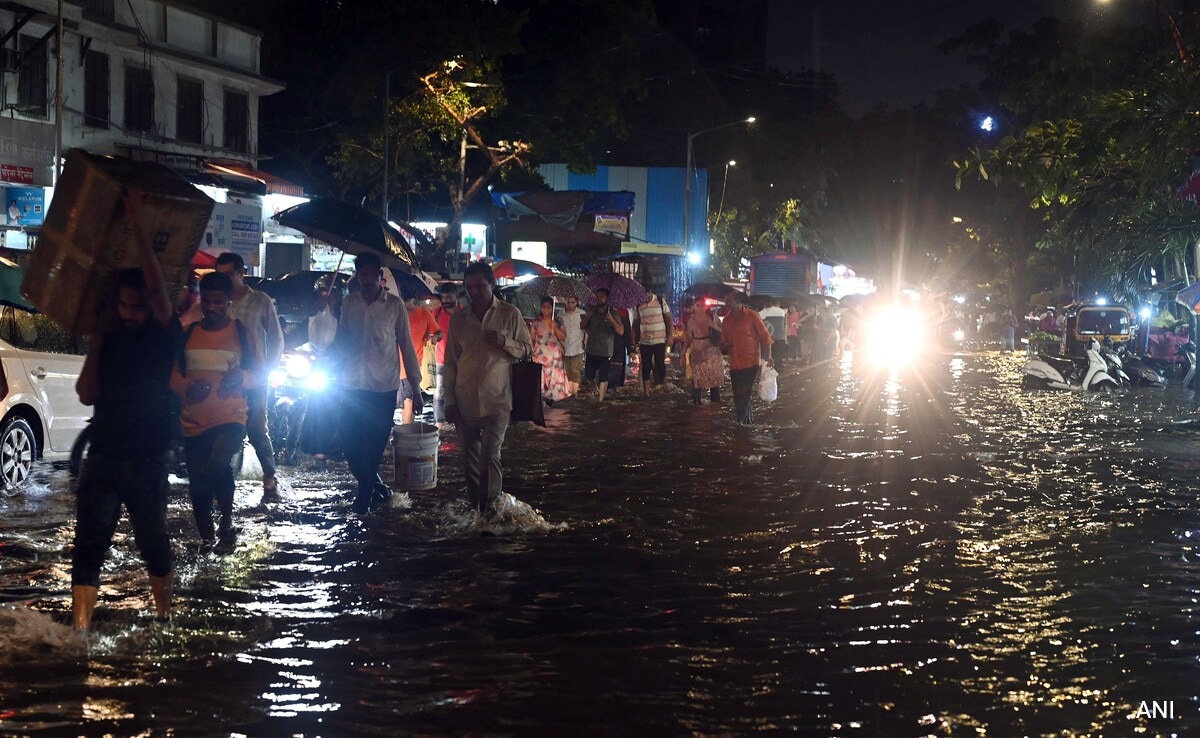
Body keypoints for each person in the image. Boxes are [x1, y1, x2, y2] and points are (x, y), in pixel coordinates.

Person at [71, 189, 176, 631]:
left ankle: (165, 617)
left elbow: (156, 288)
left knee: (153, 542)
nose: (131, 313)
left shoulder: (161, 336)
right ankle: (79, 630)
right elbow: (85, 393)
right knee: (88, 545)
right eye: (124, 306)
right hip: (104, 457)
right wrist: (97, 340)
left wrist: (135, 224)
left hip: (148, 460)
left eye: (138, 307)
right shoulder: (107, 337)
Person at [171, 271, 267, 547]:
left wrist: (244, 378)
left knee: (217, 466)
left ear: (228, 302)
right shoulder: (189, 333)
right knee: (198, 487)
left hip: (231, 417)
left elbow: (261, 372)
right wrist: (186, 388)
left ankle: (226, 518)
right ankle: (206, 542)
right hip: (193, 421)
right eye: (208, 302)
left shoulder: (242, 333)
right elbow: (173, 373)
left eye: (218, 302)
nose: (212, 308)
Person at [331, 252, 424, 514]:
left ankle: (363, 499)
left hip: (383, 387)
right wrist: (331, 310)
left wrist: (414, 388)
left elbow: (406, 345)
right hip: (350, 385)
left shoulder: (394, 306)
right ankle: (376, 487)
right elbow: (342, 341)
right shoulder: (348, 304)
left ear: (381, 278)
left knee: (373, 445)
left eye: (373, 275)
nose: (368, 280)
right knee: (349, 443)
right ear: (358, 276)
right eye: (364, 275)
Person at [443, 262, 533, 516]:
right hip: (465, 399)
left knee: (489, 457)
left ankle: (490, 508)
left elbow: (528, 349)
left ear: (492, 285)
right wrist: (448, 400)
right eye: (469, 287)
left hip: (499, 398)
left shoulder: (509, 313)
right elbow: (450, 363)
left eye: (480, 286)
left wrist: (505, 342)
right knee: (470, 462)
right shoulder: (459, 320)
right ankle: (476, 509)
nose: (474, 292)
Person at [215, 252, 284, 502]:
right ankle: (223, 484)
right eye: (219, 275)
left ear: (241, 273)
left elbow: (276, 338)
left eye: (229, 274)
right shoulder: (216, 303)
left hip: (255, 376)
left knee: (256, 429)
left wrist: (268, 369)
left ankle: (269, 475)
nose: (224, 280)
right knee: (223, 428)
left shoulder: (260, 301)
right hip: (223, 378)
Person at [721, 291, 773, 425]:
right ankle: (747, 422)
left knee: (742, 396)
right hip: (734, 364)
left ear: (738, 302)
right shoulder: (726, 320)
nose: (726, 303)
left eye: (729, 301)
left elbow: (765, 337)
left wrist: (768, 357)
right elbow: (723, 344)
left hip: (751, 363)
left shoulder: (752, 316)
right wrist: (725, 345)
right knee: (740, 396)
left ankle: (741, 424)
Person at [400, 293, 442, 424]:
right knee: (402, 403)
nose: (405, 304)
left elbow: (439, 332)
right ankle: (403, 434)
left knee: (409, 401)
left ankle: (406, 434)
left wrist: (434, 338)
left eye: (407, 300)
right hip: (394, 365)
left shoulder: (424, 314)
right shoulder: (396, 313)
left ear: (413, 299)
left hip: (413, 365)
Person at [580, 287, 624, 402]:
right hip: (591, 349)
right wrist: (587, 317)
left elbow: (621, 331)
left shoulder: (613, 313)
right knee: (589, 375)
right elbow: (583, 326)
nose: (599, 299)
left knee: (603, 377)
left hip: (606, 351)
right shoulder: (592, 312)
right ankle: (597, 391)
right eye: (597, 297)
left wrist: (611, 320)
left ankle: (600, 400)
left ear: (607, 299)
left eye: (602, 297)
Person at [530, 296, 571, 403]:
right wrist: (532, 352)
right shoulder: (536, 322)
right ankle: (541, 400)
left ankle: (551, 400)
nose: (546, 310)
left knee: (554, 379)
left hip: (554, 356)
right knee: (541, 378)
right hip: (539, 355)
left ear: (552, 308)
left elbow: (563, 337)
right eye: (544, 307)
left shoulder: (558, 321)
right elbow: (532, 338)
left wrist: (555, 328)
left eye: (549, 307)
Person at [683, 298, 723, 404]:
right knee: (697, 381)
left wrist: (714, 328)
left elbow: (723, 334)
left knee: (714, 382)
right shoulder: (690, 321)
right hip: (698, 354)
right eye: (698, 305)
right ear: (693, 307)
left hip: (712, 354)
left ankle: (715, 405)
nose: (700, 308)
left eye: (702, 305)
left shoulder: (714, 318)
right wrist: (683, 355)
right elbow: (687, 340)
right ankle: (697, 404)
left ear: (706, 307)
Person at [432, 283, 460, 427]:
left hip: (462, 359)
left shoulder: (465, 313)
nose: (445, 300)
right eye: (443, 297)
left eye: (449, 297)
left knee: (462, 389)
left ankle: (460, 421)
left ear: (457, 296)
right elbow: (429, 331)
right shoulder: (436, 313)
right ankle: (439, 423)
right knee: (440, 390)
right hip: (442, 359)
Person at [634, 291, 671, 393]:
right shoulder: (638, 305)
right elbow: (635, 323)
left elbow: (668, 318)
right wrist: (633, 340)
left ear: (650, 292)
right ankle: (646, 392)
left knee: (660, 364)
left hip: (660, 339)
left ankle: (663, 387)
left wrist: (670, 336)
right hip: (644, 340)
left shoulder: (660, 301)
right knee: (646, 365)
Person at [560, 295, 585, 395]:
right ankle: (568, 392)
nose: (570, 305)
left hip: (577, 347)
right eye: (568, 302)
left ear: (577, 302)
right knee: (566, 372)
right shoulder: (560, 314)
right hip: (564, 346)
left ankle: (574, 393)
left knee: (576, 371)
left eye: (572, 302)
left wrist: (585, 342)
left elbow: (585, 329)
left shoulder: (582, 314)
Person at [759, 298, 788, 369]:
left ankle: (769, 376)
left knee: (767, 360)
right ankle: (778, 375)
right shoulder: (782, 312)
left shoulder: (762, 312)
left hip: (768, 339)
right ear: (778, 304)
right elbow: (785, 325)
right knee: (778, 360)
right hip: (780, 338)